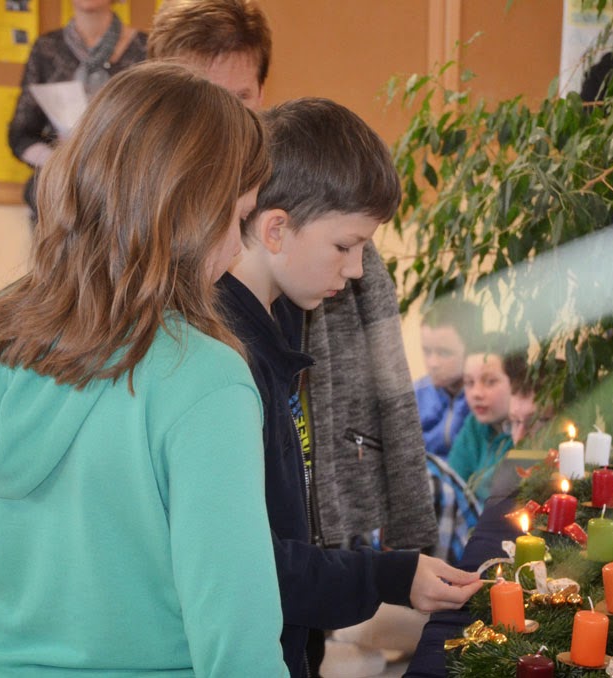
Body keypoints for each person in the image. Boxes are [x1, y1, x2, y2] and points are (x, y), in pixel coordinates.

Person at [0, 62, 287, 676]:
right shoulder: (207, 377)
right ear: (186, 212)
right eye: (237, 218)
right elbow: (236, 631)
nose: (238, 248)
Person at [149, 0, 436, 558]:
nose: (223, 126)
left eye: (238, 100)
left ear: (262, 92)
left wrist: (412, 544)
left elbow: (394, 392)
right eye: (200, 99)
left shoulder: (325, 224)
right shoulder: (152, 247)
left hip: (324, 527)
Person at [216, 96, 482, 678]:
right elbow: (246, 565)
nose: (359, 269)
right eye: (345, 246)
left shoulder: (278, 326)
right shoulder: (226, 361)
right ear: (276, 229)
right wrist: (387, 576)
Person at [9, 0, 147, 218]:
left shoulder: (145, 49)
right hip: (61, 192)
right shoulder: (47, 49)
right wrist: (61, 162)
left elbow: (159, 132)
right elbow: (20, 136)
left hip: (125, 191)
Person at [447, 336, 516, 507]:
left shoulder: (527, 430)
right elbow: (452, 488)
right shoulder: (473, 424)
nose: (476, 393)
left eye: (490, 382)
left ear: (516, 382)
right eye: (469, 382)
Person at [414, 299, 482, 458]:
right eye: (426, 351)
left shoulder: (484, 399)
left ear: (471, 349)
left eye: (444, 353)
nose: (433, 363)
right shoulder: (415, 395)